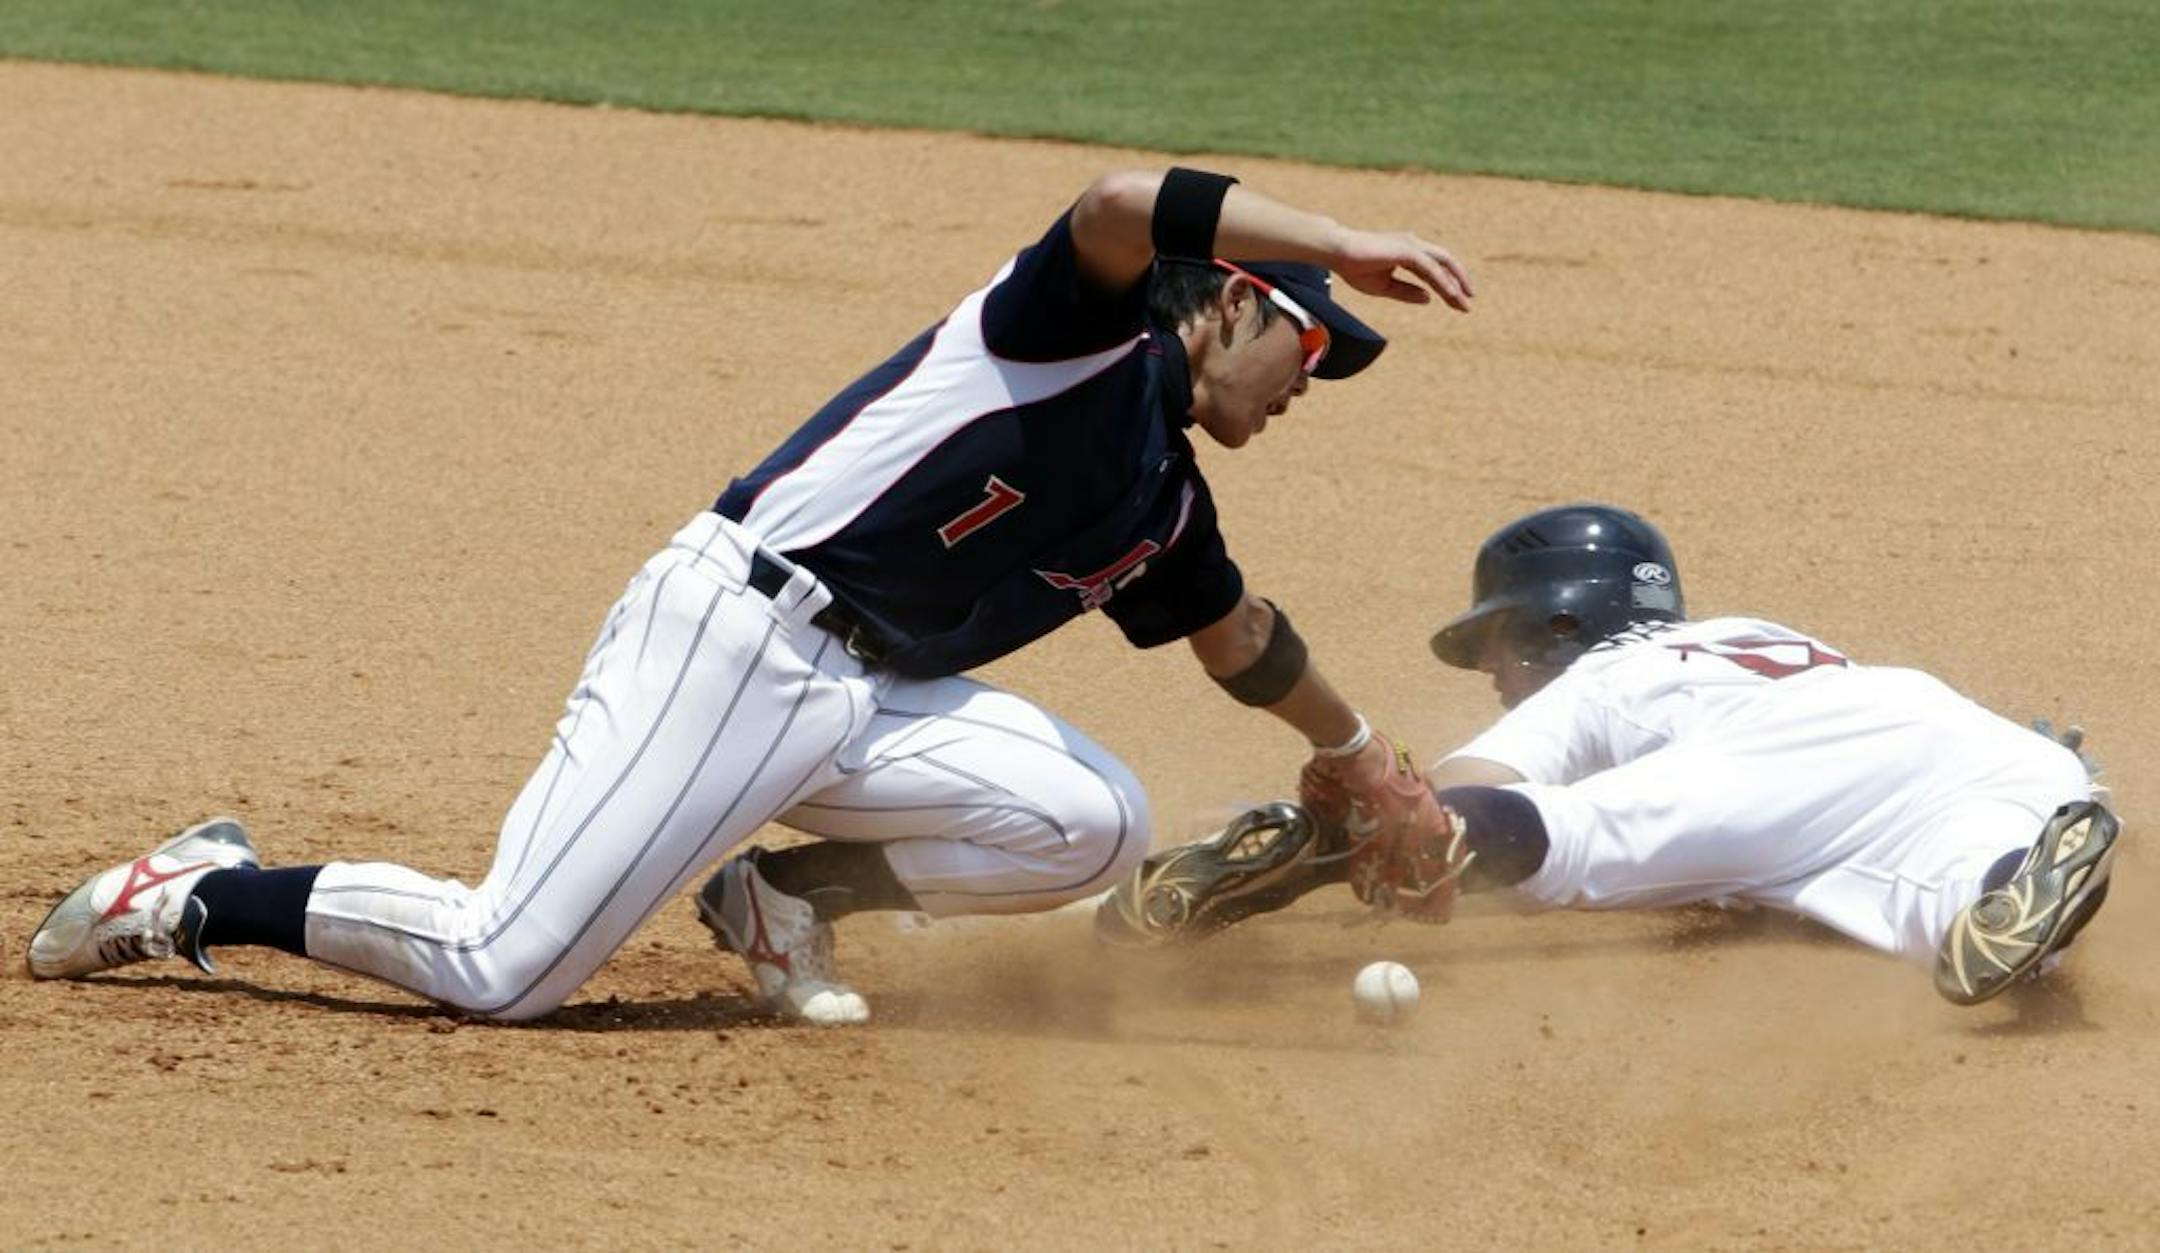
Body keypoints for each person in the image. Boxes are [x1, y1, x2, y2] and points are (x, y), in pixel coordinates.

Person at [27, 168, 1475, 1025]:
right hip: (733, 635)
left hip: (860, 697)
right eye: (1312, 343)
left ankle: (778, 897)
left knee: (1094, 822)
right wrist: (1341, 239)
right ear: (1230, 297)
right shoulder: (1061, 333)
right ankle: (192, 891)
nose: (1311, 382)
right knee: (502, 966)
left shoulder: (1162, 493)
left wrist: (1364, 765)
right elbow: (1112, 200)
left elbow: (1238, 638)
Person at [1097, 503, 2120, 1006]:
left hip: (1781, 769)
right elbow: (1851, 779)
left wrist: (1348, 826)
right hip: (1979, 740)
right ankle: (2026, 864)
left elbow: (1449, 798)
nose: (1492, 672)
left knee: (1552, 840)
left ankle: (1286, 864)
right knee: (1959, 927)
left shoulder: (1600, 676)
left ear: (1556, 621)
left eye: (1495, 643)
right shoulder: (1752, 635)